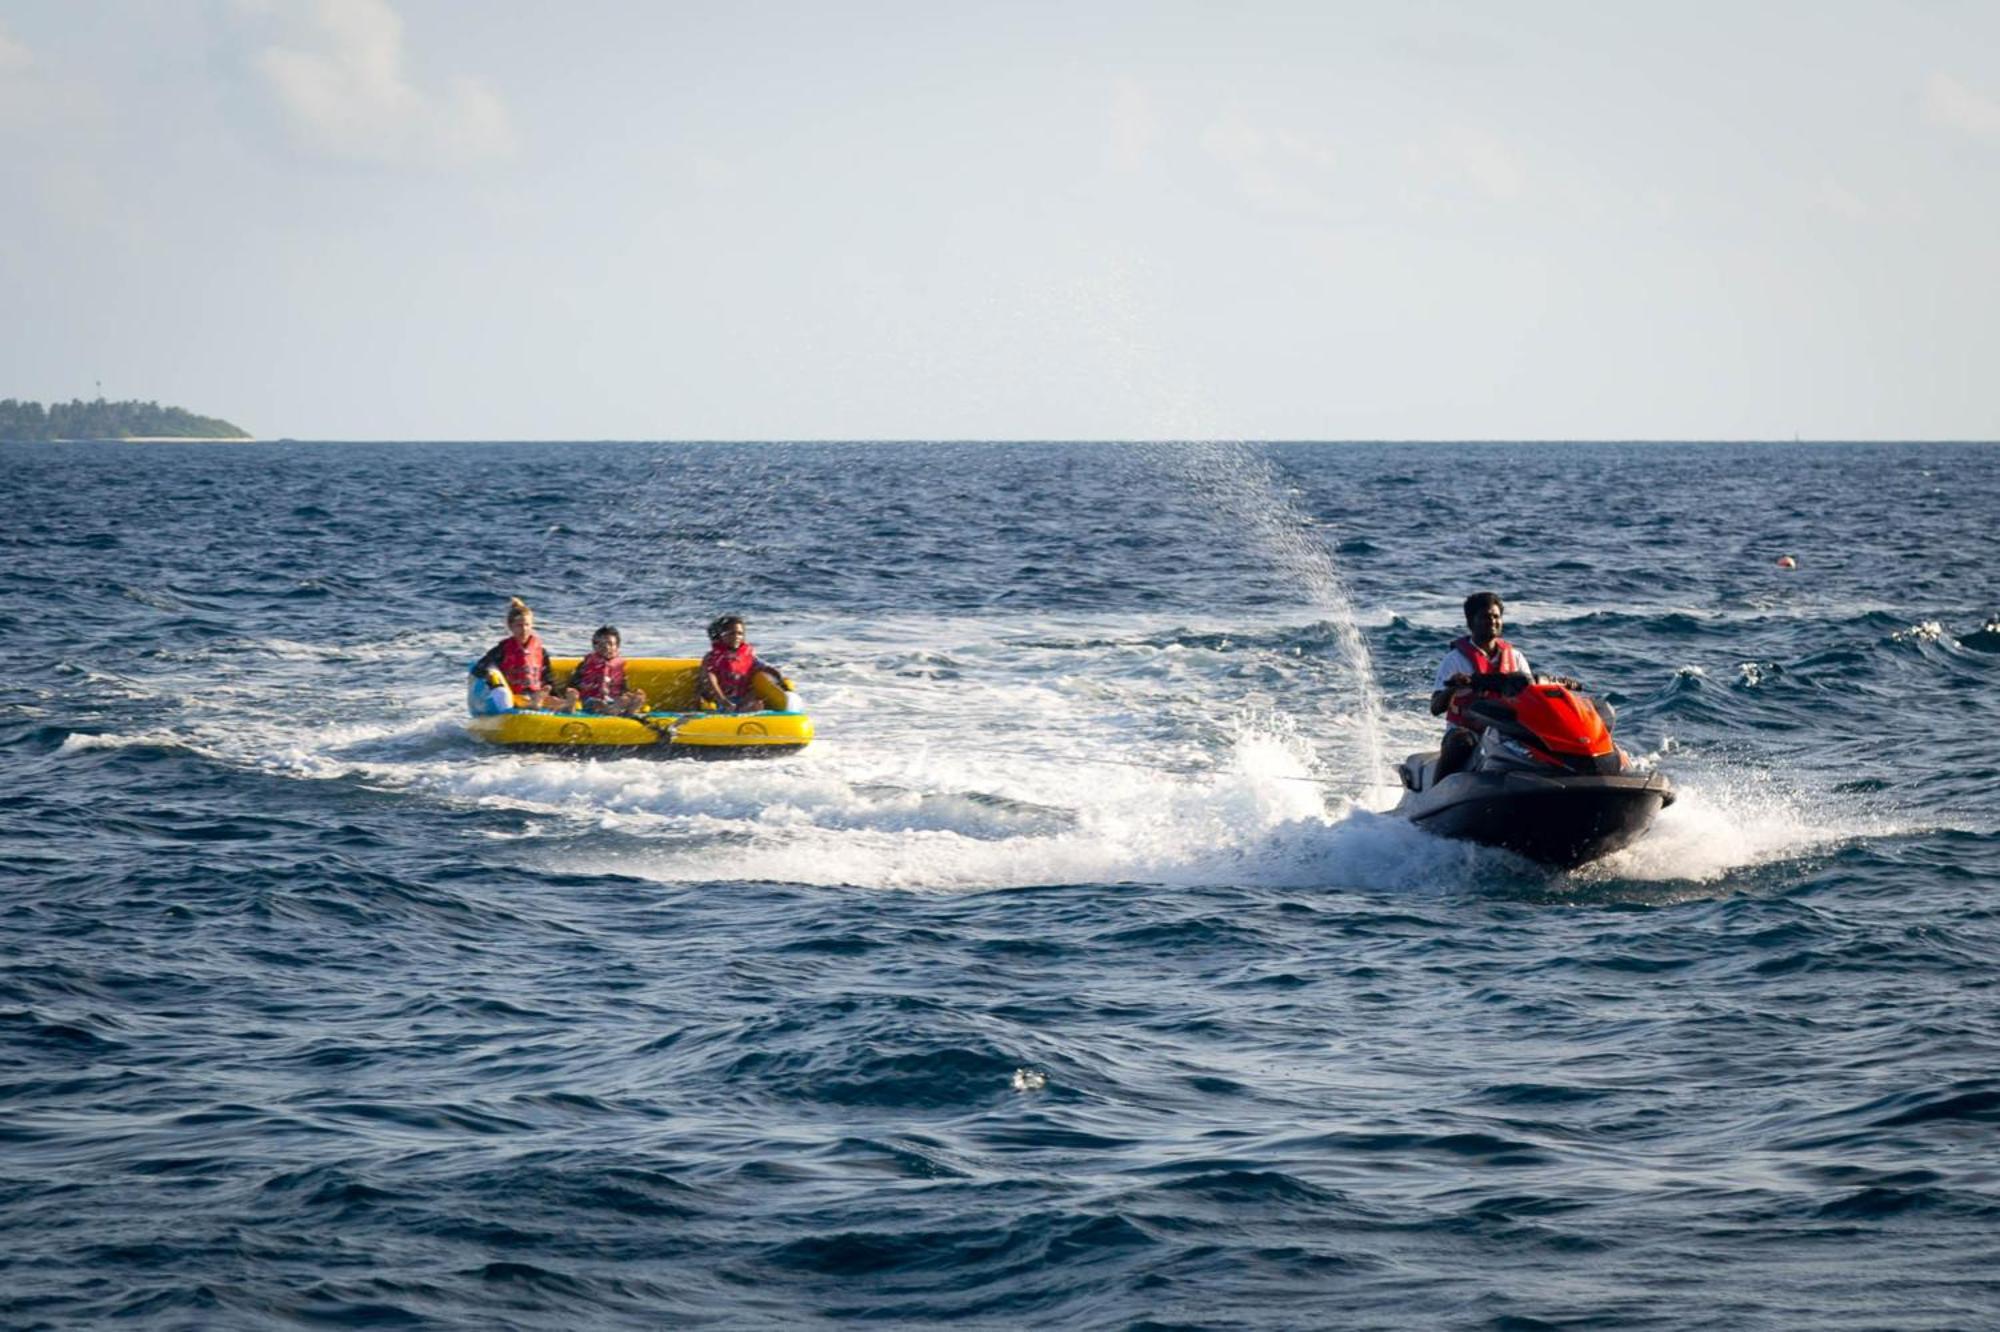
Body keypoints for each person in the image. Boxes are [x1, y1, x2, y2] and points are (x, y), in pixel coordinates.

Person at [1428, 591, 1541, 777]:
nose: (1492, 621)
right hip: (1467, 731)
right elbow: (1435, 707)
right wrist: (1455, 688)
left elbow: (1531, 697)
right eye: (1485, 617)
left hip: (1506, 730)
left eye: (1496, 616)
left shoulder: (1515, 657)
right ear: (1471, 622)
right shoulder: (1454, 660)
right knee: (1461, 742)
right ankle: (1437, 788)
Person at [471, 597, 563, 711]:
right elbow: (479, 668)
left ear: (531, 626)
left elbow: (547, 676)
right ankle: (532, 704)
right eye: (519, 625)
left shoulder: (541, 651)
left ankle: (556, 704)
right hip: (513, 694)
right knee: (513, 697)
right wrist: (491, 675)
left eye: (527, 625)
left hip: (535, 693)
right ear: (511, 627)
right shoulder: (502, 650)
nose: (524, 629)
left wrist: (556, 695)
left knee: (556, 702)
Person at [697, 614, 786, 713]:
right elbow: (709, 681)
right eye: (731, 633)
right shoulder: (712, 657)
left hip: (743, 699)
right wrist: (723, 701)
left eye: (740, 633)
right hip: (721, 701)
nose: (736, 637)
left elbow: (765, 667)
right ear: (719, 636)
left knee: (757, 703)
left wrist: (781, 681)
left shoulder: (747, 654)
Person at [561, 625, 648, 716]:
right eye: (602, 644)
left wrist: (628, 695)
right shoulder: (585, 665)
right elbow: (573, 684)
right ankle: (571, 707)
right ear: (595, 646)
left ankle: (628, 711)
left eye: (610, 644)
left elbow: (622, 688)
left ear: (617, 647)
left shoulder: (618, 667)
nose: (606, 647)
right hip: (591, 700)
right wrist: (573, 694)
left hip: (613, 700)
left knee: (626, 699)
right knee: (596, 703)